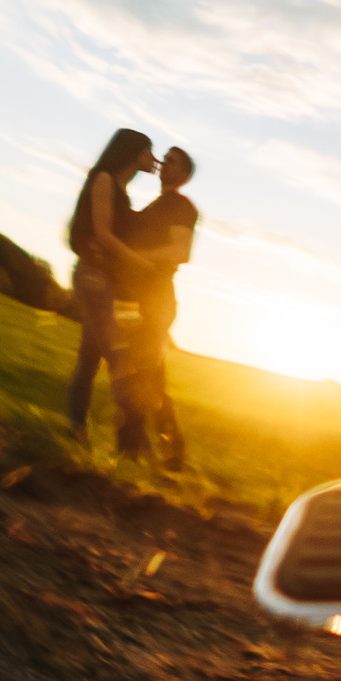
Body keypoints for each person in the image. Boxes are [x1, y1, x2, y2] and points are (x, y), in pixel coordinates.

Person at [66, 128, 155, 435]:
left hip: (103, 278)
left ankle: (75, 428)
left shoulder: (121, 189)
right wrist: (140, 263)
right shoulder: (104, 180)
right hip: (93, 277)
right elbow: (103, 233)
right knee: (119, 356)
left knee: (89, 359)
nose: (153, 159)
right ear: (133, 152)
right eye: (148, 152)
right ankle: (134, 441)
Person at [112, 148, 197, 466]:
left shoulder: (182, 206)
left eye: (172, 160)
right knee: (136, 372)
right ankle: (149, 451)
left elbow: (180, 251)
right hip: (132, 298)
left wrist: (142, 256)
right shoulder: (157, 205)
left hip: (157, 298)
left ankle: (147, 452)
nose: (163, 162)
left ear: (185, 176)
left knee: (143, 374)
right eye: (164, 157)